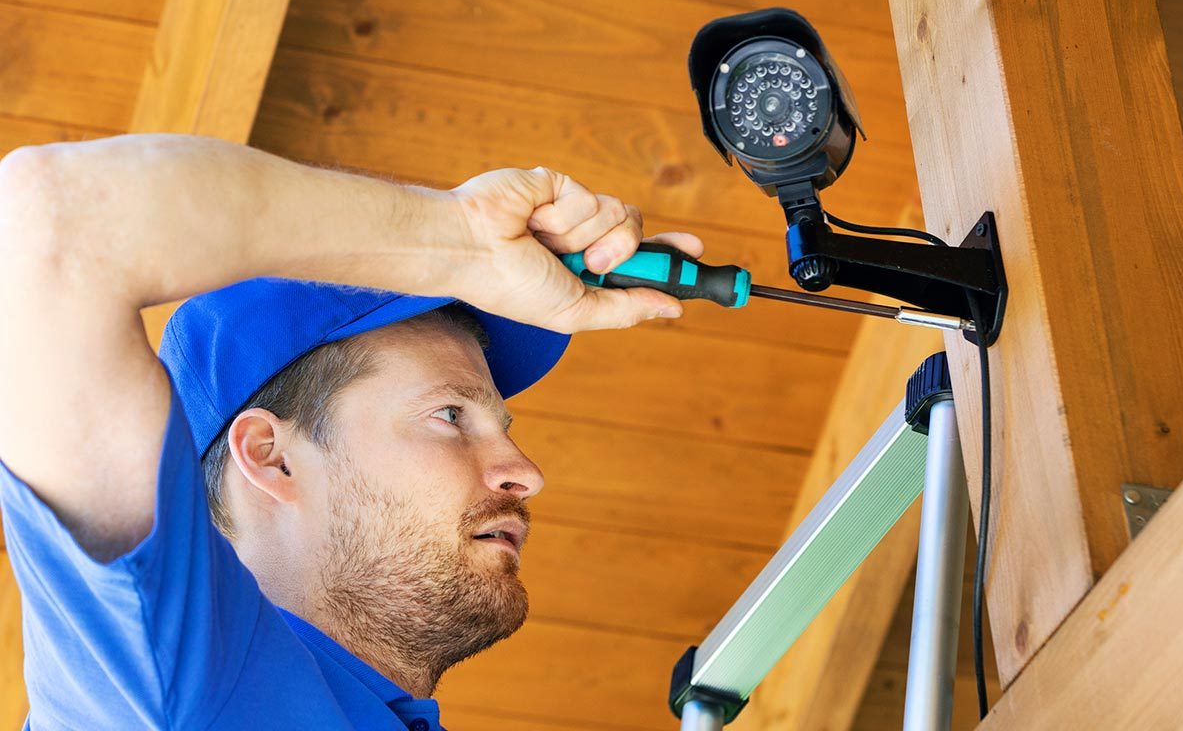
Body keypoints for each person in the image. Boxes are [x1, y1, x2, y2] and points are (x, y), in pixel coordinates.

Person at [0, 134, 704, 730]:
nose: (526, 473)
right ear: (272, 457)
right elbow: (52, 220)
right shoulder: (160, 680)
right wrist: (460, 242)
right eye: (450, 416)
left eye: (498, 426)